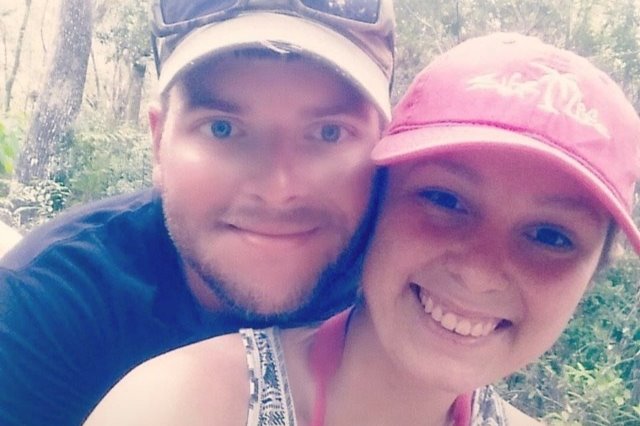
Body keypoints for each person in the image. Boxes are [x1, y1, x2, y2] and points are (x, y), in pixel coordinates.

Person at [86, 32, 640, 425]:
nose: (478, 271)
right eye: (445, 199)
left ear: (594, 271)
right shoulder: (179, 406)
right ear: (377, 198)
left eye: (550, 236)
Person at [0, 1, 395, 424]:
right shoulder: (43, 312)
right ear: (158, 142)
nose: (277, 191)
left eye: (330, 133)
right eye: (222, 128)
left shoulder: (410, 291)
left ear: (385, 144)